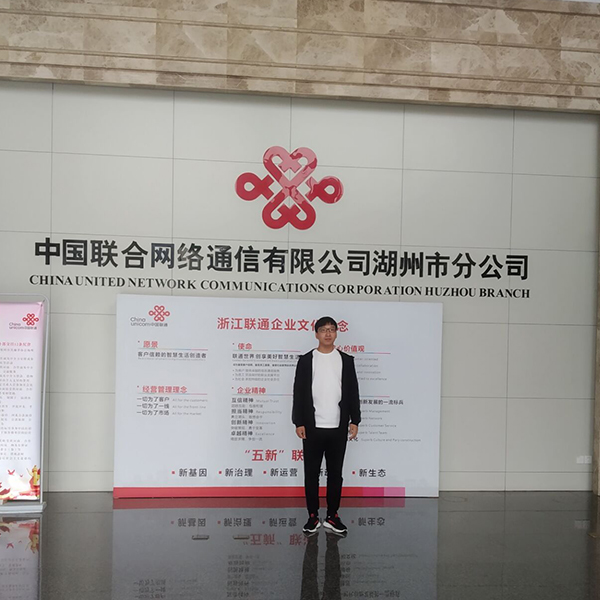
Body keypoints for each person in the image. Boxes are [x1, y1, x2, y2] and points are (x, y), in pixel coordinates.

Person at [292, 316, 361, 535]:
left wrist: (355, 420)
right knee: (311, 474)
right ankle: (312, 516)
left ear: (336, 333)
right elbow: (298, 392)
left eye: (331, 329)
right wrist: (299, 421)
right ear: (316, 334)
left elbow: (353, 392)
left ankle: (332, 516)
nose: (328, 333)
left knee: (335, 474)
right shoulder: (306, 360)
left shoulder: (346, 360)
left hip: (338, 426)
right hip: (312, 426)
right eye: (323, 330)